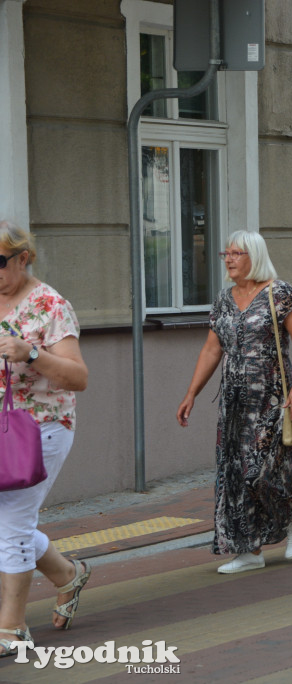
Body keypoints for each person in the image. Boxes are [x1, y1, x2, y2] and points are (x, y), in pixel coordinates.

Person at [177, 230, 292, 574]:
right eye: (227, 253)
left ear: (254, 256)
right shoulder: (224, 299)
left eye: (237, 253)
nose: (229, 258)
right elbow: (212, 348)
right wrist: (191, 392)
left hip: (271, 398)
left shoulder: (278, 293)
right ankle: (248, 550)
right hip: (234, 403)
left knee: (260, 470)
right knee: (234, 474)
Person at [0, 221, 90, 656]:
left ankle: (12, 628)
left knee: (14, 522)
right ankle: (67, 575)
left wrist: (31, 353)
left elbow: (79, 377)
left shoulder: (50, 304)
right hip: (2, 429)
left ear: (23, 258)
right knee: (5, 523)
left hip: (40, 430)